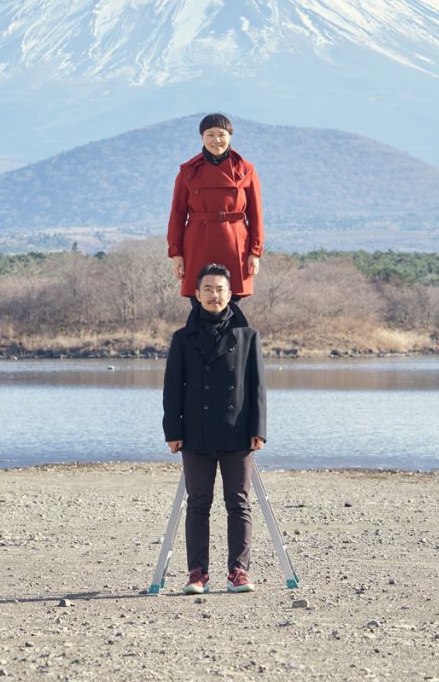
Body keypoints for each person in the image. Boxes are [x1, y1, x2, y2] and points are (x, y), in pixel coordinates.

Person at [162, 263, 267, 594]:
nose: (214, 295)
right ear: (196, 294)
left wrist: (259, 430)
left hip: (238, 432)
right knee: (198, 503)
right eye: (207, 289)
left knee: (238, 502)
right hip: (195, 433)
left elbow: (257, 387)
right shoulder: (182, 338)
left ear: (230, 294)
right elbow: (172, 389)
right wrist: (173, 431)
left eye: (220, 289)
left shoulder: (248, 336)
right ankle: (197, 573)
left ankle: (238, 570)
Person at [167, 113, 264, 301]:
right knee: (199, 299)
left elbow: (256, 214)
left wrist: (255, 251)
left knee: (232, 301)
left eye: (221, 134)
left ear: (230, 136)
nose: (216, 140)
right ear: (201, 137)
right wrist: (176, 253)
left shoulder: (246, 169)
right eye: (210, 134)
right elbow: (177, 215)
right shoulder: (188, 171)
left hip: (235, 242)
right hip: (197, 242)